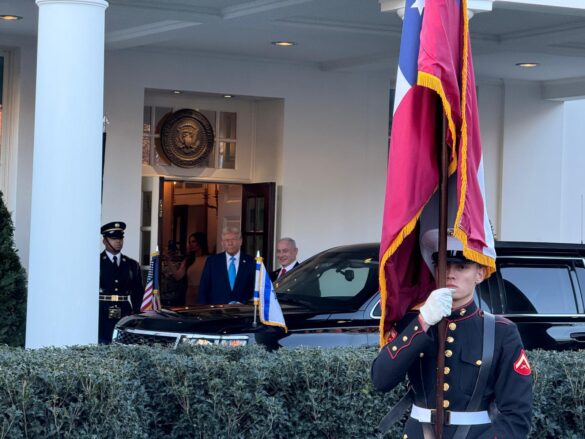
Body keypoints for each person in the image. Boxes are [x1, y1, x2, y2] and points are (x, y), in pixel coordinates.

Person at [371, 229, 533, 438]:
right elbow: (380, 380)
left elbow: (517, 415)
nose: (450, 273)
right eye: (444, 265)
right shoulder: (414, 323)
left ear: (480, 273)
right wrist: (423, 322)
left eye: (462, 266)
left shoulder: (501, 332)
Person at [99, 221, 144, 344]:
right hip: (102, 311)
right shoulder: (96, 262)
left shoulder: (132, 265)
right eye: (113, 238)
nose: (118, 241)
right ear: (105, 241)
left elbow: (137, 292)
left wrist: (137, 315)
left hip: (124, 311)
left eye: (120, 238)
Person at [198, 227, 255, 305]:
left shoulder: (251, 262)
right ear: (222, 243)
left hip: (243, 313)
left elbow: (256, 290)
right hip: (217, 313)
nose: (230, 243)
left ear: (240, 241)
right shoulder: (212, 261)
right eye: (227, 240)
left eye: (233, 239)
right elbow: (203, 289)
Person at [169, 232, 209, 305]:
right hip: (190, 294)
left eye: (194, 241)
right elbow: (178, 276)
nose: (191, 244)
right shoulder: (188, 260)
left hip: (204, 292)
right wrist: (168, 261)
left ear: (200, 242)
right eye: (190, 242)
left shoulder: (209, 259)